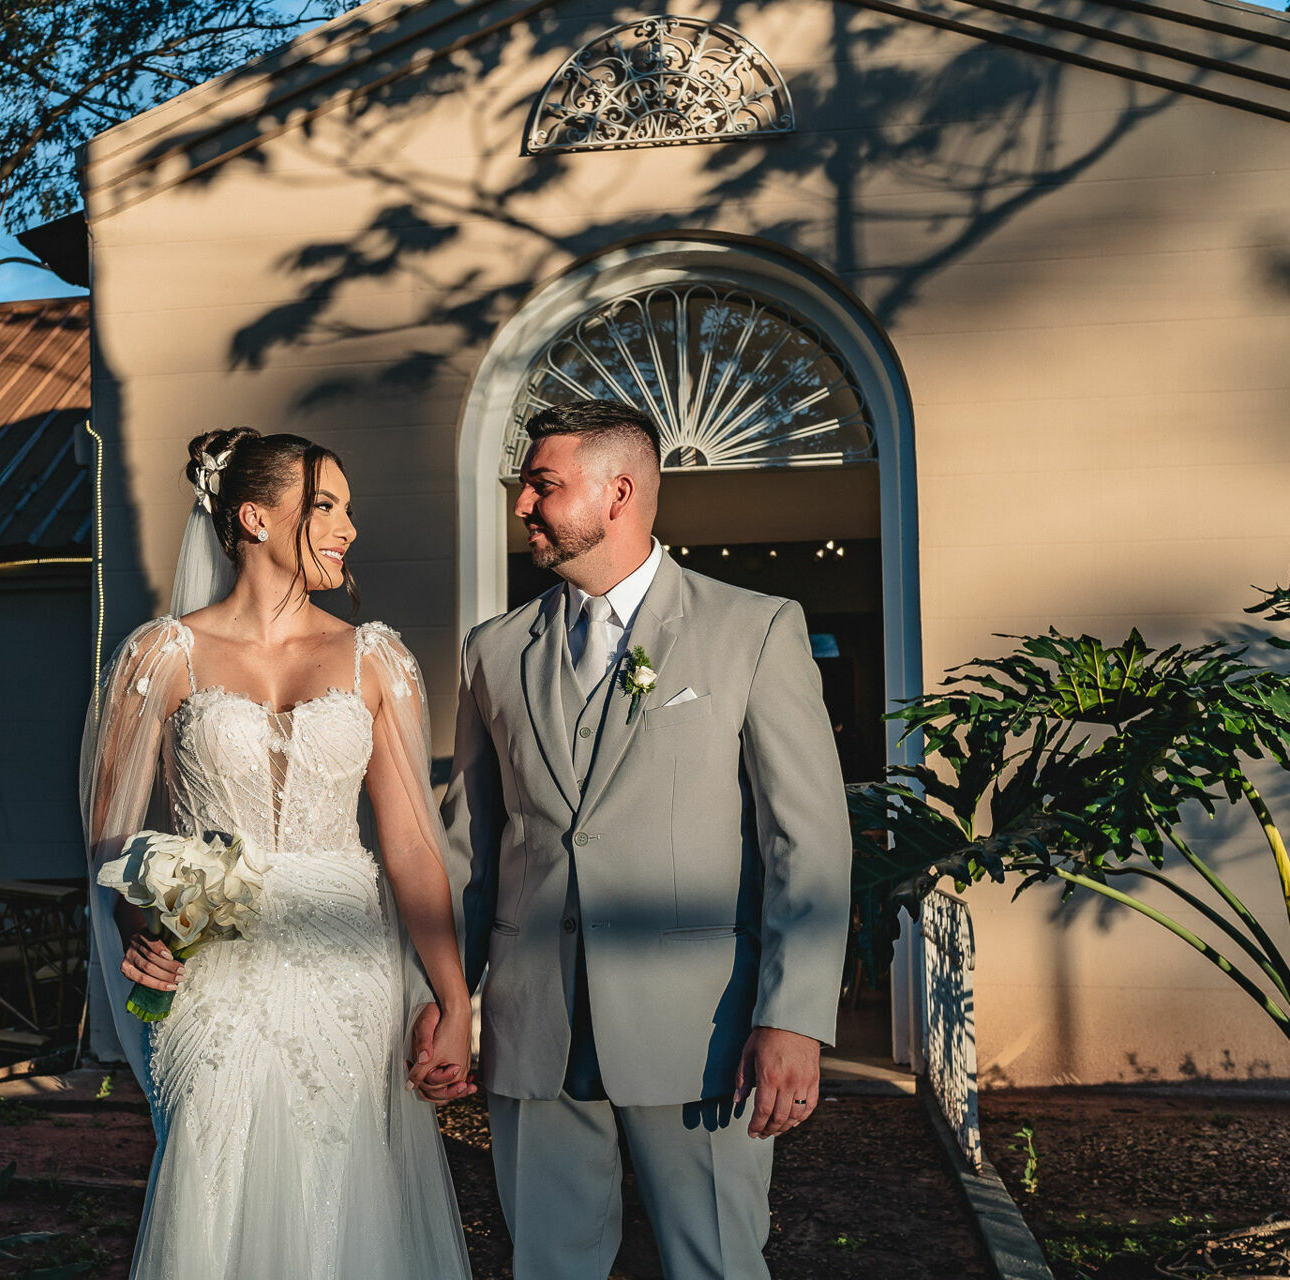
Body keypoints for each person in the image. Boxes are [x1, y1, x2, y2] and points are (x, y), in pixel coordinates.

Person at [417, 398, 852, 1279]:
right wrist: (447, 999)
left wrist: (793, 1016)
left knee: (717, 1266)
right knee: (547, 1265)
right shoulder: (492, 651)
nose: (523, 507)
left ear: (619, 493)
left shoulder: (753, 629)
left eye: (543, 486)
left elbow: (805, 841)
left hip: (703, 1033)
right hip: (534, 1024)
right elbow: (470, 845)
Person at [79, 427, 475, 1280]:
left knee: (342, 1186)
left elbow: (410, 847)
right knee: (212, 1175)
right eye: (326, 506)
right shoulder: (160, 656)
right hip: (210, 970)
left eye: (348, 510)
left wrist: (453, 997)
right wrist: (142, 919)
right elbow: (111, 838)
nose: (349, 529)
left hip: (347, 968)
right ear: (255, 518)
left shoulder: (377, 659)